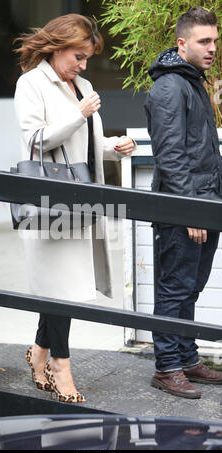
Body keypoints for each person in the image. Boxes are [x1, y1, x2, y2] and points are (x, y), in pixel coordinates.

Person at [13, 14, 136, 403]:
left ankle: (39, 352)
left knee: (61, 287)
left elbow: (79, 149)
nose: (83, 66)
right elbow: (36, 142)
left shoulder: (81, 85)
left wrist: (112, 146)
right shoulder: (31, 83)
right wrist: (79, 114)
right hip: (50, 200)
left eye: (86, 59)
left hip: (78, 198)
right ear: (58, 46)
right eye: (79, 56)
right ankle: (60, 365)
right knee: (60, 289)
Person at [145, 6, 222, 399]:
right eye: (203, 41)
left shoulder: (193, 82)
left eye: (215, 40)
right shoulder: (169, 88)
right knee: (174, 287)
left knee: (192, 286)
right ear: (182, 43)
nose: (212, 48)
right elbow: (171, 154)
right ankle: (167, 367)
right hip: (184, 208)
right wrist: (189, 207)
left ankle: (187, 357)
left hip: (205, 204)